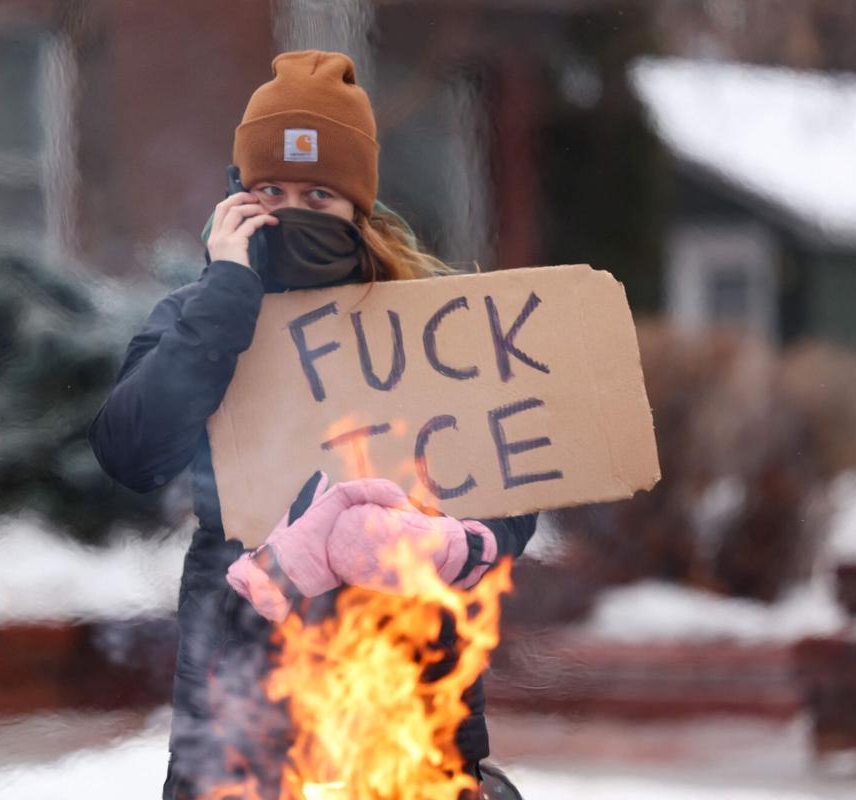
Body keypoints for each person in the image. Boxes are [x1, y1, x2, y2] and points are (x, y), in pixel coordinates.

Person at [88, 49, 535, 800]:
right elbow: (132, 451)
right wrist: (228, 293)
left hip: (411, 700)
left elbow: (518, 467)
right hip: (242, 708)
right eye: (271, 191)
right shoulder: (197, 317)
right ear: (237, 198)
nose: (293, 211)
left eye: (318, 195)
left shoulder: (432, 323)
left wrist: (452, 542)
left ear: (357, 207)